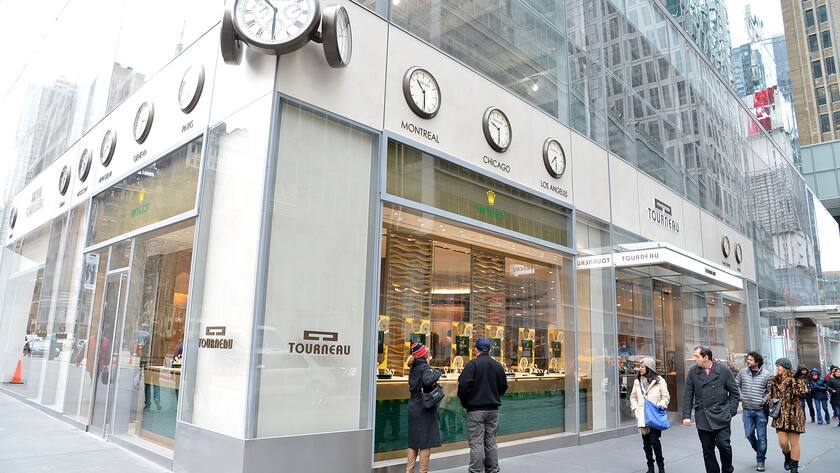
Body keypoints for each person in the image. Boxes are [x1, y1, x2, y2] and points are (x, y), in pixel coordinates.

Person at [682, 346, 740, 473]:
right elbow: (688, 395)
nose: (694, 359)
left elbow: (735, 393)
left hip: (722, 415)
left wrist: (730, 412)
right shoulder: (693, 372)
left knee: (724, 446)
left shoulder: (724, 370)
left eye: (697, 356)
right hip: (702, 416)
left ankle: (727, 469)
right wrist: (686, 415)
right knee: (707, 450)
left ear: (706, 357)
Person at [458, 338, 508, 473]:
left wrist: (465, 402)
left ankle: (475, 470)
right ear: (490, 350)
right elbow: (503, 386)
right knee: (491, 440)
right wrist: (494, 395)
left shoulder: (472, 365)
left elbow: (463, 386)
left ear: (476, 350)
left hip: (475, 410)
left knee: (476, 443)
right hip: (493, 409)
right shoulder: (497, 366)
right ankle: (493, 469)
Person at [406, 342, 442, 473]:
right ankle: (423, 471)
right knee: (425, 442)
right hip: (424, 408)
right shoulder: (424, 367)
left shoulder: (413, 366)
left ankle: (409, 471)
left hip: (413, 406)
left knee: (413, 442)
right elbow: (428, 381)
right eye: (426, 351)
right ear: (423, 354)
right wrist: (438, 372)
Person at [629, 357, 670, 473]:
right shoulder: (637, 381)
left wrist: (661, 405)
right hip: (642, 416)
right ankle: (650, 468)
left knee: (655, 441)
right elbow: (632, 397)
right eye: (640, 366)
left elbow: (666, 396)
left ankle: (661, 467)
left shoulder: (659, 380)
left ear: (649, 367)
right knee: (646, 444)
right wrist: (635, 408)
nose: (640, 369)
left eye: (642, 366)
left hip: (655, 415)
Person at [770, 358, 807, 473]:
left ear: (785, 367)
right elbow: (772, 395)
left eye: (779, 366)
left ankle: (794, 468)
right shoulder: (775, 379)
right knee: (783, 443)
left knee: (794, 443)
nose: (777, 368)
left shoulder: (796, 378)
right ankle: (787, 456)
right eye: (776, 366)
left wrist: (794, 380)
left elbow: (801, 393)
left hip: (795, 414)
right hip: (780, 415)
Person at [736, 352, 772, 471]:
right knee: (749, 434)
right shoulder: (742, 372)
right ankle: (760, 451)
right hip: (746, 410)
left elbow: (770, 391)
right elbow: (736, 385)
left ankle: (760, 460)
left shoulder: (767, 375)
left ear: (757, 362)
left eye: (750, 360)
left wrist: (763, 400)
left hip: (760, 411)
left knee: (762, 437)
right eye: (748, 359)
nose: (748, 361)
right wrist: (742, 397)